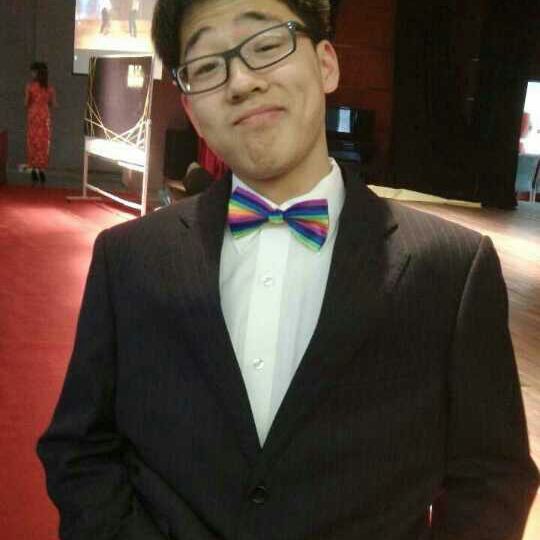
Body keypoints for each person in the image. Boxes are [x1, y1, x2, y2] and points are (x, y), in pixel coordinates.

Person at [37, 1, 539, 539]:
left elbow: (492, 477)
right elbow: (81, 449)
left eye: (266, 44)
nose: (241, 81)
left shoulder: (450, 269)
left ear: (326, 64)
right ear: (190, 108)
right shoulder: (128, 259)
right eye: (206, 65)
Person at [25, 62, 56, 186]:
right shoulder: (50, 88)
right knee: (43, 143)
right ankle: (42, 171)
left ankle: (33, 171)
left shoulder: (30, 87)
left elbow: (26, 103)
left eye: (33, 72)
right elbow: (53, 104)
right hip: (44, 117)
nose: (31, 74)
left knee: (32, 142)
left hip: (33, 116)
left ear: (37, 73)